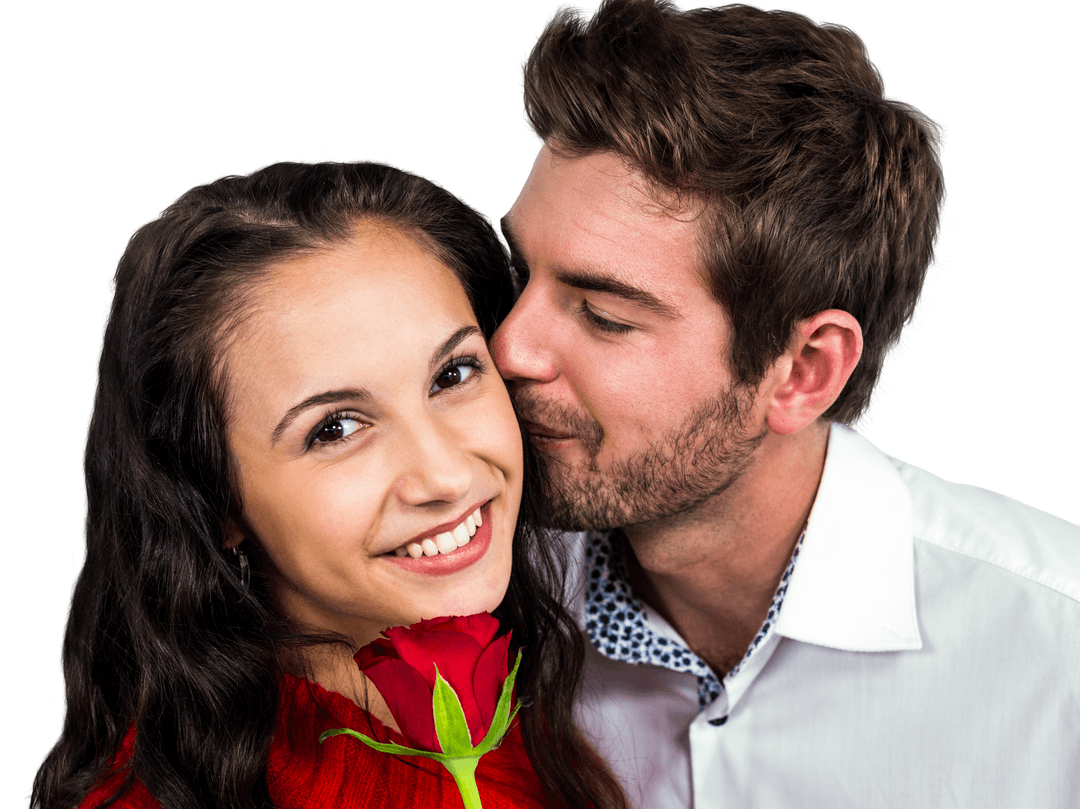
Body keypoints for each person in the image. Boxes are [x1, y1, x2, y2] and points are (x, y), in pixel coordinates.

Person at [491, 1, 1080, 807]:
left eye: (606, 316)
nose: (507, 351)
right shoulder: (462, 601)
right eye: (520, 277)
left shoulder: (1059, 652)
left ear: (804, 370)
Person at [28, 160, 628, 809]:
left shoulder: (535, 731)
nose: (446, 474)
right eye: (336, 427)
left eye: (453, 374)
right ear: (214, 498)